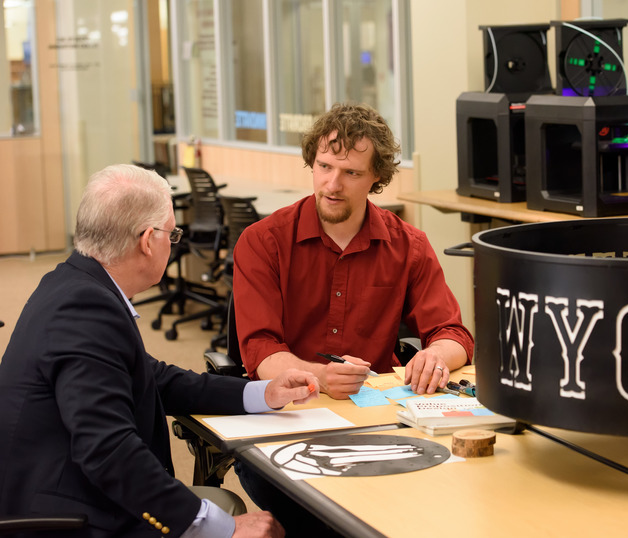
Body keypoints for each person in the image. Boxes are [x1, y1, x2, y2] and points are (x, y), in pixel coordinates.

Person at [0, 164, 321, 537]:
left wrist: (263, 392)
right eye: (173, 233)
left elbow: (156, 378)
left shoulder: (72, 283)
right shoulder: (86, 310)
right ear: (148, 240)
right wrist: (218, 527)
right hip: (71, 518)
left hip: (62, 487)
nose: (173, 242)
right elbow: (108, 451)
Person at [234, 102, 475, 400]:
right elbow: (260, 348)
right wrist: (321, 377)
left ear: (377, 176)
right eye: (324, 167)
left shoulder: (408, 245)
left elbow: (453, 333)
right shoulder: (263, 242)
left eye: (351, 173)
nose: (332, 185)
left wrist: (436, 355)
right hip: (293, 404)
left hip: (375, 401)